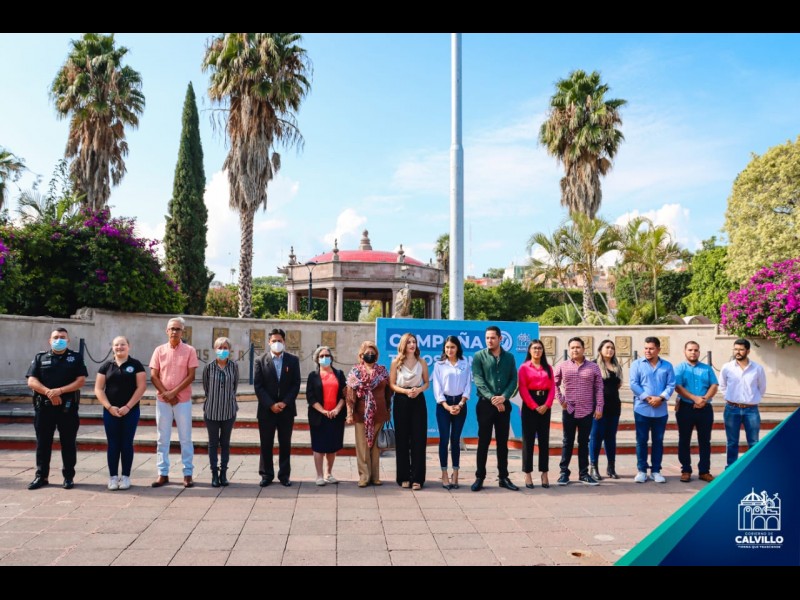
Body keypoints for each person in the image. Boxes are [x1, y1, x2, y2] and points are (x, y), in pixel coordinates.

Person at [25, 327, 88, 490]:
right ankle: (41, 476)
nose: (59, 340)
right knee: (43, 443)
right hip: (44, 408)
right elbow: (31, 381)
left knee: (68, 443)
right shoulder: (40, 357)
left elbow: (81, 381)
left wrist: (59, 391)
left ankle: (68, 477)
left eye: (62, 337)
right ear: (50, 340)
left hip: (68, 408)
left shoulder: (75, 358)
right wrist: (49, 393)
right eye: (55, 337)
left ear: (68, 340)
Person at [149, 317, 198, 488]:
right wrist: (167, 394)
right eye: (172, 328)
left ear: (182, 332)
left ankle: (187, 473)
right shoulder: (159, 350)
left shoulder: (190, 350)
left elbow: (191, 376)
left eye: (178, 329)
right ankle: (162, 473)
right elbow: (154, 376)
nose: (174, 332)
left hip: (182, 400)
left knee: (185, 438)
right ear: (167, 331)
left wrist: (174, 393)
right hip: (163, 400)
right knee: (162, 438)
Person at [95, 336, 146, 491]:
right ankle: (112, 477)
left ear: (129, 346)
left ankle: (125, 476)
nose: (119, 347)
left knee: (126, 443)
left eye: (123, 344)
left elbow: (141, 387)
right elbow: (98, 389)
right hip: (111, 411)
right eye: (116, 345)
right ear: (112, 347)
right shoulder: (106, 366)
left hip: (130, 411)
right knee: (113, 443)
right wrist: (109, 407)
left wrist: (128, 407)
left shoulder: (136, 365)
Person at [471, 325, 519, 492]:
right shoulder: (479, 356)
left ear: (500, 338)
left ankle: (503, 477)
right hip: (485, 404)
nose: (489, 340)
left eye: (492, 338)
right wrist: (493, 398)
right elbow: (478, 380)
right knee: (483, 442)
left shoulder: (509, 357)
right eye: (487, 338)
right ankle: (479, 477)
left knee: (502, 443)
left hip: (503, 405)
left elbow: (513, 380)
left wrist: (503, 397)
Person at [554, 337, 604, 486]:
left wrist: (599, 407)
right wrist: (561, 400)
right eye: (572, 348)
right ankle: (564, 473)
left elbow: (599, 388)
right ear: (569, 350)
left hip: (587, 410)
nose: (575, 350)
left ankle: (584, 474)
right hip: (569, 409)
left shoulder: (593, 367)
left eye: (578, 347)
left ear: (583, 349)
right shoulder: (562, 366)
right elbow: (554, 384)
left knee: (584, 442)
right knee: (567, 441)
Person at [255, 328, 301, 487]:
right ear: (269, 342)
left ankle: (284, 475)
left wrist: (285, 402)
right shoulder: (260, 360)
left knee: (285, 443)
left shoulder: (293, 360)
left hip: (286, 410)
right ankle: (266, 474)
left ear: (284, 342)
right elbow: (258, 386)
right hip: (266, 410)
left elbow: (296, 384)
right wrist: (271, 404)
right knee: (266, 443)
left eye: (279, 341)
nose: (277, 343)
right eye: (274, 341)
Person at [629, 336, 675, 484]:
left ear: (658, 349)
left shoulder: (667, 366)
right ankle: (642, 470)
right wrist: (648, 398)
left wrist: (660, 398)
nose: (648, 351)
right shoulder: (637, 364)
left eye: (651, 348)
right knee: (641, 440)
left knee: (658, 441)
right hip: (642, 409)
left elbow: (671, 385)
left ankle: (656, 470)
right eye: (646, 348)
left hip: (660, 410)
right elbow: (633, 384)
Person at [346, 341, 391, 487]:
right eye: (367, 353)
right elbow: (350, 394)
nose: (370, 355)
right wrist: (349, 414)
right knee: (363, 445)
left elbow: (388, 392)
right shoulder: (356, 372)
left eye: (373, 353)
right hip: (361, 414)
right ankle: (364, 476)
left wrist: (388, 409)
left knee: (376, 446)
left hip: (379, 413)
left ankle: (375, 477)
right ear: (361, 355)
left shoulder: (382, 371)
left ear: (376, 355)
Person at [389, 333, 430, 491]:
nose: (412, 345)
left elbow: (426, 383)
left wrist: (418, 390)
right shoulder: (396, 362)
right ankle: (404, 477)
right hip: (401, 400)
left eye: (414, 342)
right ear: (403, 345)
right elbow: (392, 384)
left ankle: (418, 478)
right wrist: (405, 392)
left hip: (418, 400)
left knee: (419, 439)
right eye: (409, 342)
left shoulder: (422, 362)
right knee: (402, 439)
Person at [674, 341, 719, 483]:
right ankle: (686, 470)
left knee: (705, 440)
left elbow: (714, 385)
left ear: (699, 352)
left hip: (705, 408)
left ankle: (704, 471)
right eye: (690, 350)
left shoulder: (707, 368)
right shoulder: (679, 368)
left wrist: (704, 399)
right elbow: (677, 387)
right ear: (685, 351)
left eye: (695, 350)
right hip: (685, 408)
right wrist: (695, 398)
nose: (693, 352)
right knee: (684, 439)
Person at [719, 338, 767, 469]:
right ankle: (731, 468)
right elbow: (722, 386)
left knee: (754, 441)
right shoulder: (727, 367)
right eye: (735, 349)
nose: (738, 352)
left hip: (751, 410)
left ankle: (754, 468)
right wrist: (729, 398)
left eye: (741, 349)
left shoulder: (757, 368)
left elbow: (762, 388)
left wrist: (752, 399)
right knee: (732, 442)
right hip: (731, 409)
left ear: (748, 351)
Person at [432, 336, 471, 490]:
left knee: (455, 439)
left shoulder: (465, 364)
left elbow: (468, 386)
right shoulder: (439, 365)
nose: (450, 350)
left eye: (452, 347)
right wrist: (447, 406)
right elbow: (437, 388)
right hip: (444, 405)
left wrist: (460, 404)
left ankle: (455, 473)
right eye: (447, 347)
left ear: (458, 348)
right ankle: (444, 474)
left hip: (460, 404)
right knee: (444, 439)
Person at [306, 345, 346, 486]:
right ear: (317, 359)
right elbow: (310, 397)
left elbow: (344, 394)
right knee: (318, 446)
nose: (324, 358)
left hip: (335, 416)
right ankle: (319, 475)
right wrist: (323, 411)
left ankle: (328, 473)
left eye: (327, 356)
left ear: (331, 358)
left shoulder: (339, 374)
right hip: (318, 416)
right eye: (321, 356)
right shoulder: (313, 376)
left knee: (332, 446)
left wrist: (337, 409)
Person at [517, 339, 555, 489]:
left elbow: (553, 388)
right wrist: (534, 406)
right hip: (530, 405)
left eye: (540, 348)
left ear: (543, 351)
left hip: (545, 404)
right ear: (529, 350)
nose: (537, 351)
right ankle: (527, 473)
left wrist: (547, 404)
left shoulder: (548, 368)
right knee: (528, 441)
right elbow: (523, 389)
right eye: (534, 348)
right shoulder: (524, 368)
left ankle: (544, 473)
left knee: (544, 440)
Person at [202, 337, 239, 488]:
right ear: (215, 349)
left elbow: (234, 386)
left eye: (225, 348)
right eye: (220, 347)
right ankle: (214, 474)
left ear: (229, 350)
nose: (222, 350)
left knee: (225, 443)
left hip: (228, 411)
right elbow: (206, 388)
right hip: (212, 410)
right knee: (213, 444)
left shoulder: (234, 367)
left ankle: (223, 473)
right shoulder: (209, 367)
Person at [589, 339, 623, 481]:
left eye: (612, 348)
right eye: (607, 347)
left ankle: (611, 467)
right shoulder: (593, 366)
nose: (610, 350)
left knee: (611, 438)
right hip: (598, 408)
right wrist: (596, 406)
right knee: (596, 437)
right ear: (600, 350)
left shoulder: (616, 366)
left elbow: (618, 385)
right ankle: (593, 467)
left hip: (614, 406)